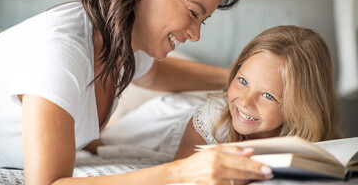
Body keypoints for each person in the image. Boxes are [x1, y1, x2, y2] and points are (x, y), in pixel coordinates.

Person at [0, 0, 278, 184]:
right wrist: (182, 171)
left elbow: (156, 75)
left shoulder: (125, 39)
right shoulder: (59, 52)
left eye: (202, 20)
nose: (195, 34)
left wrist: (243, 82)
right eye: (193, 13)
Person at [101, 25, 344, 183]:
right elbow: (183, 175)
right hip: (170, 118)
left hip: (198, 108)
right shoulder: (209, 120)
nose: (246, 102)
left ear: (300, 106)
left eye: (269, 96)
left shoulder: (308, 141)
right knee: (106, 137)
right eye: (243, 80)